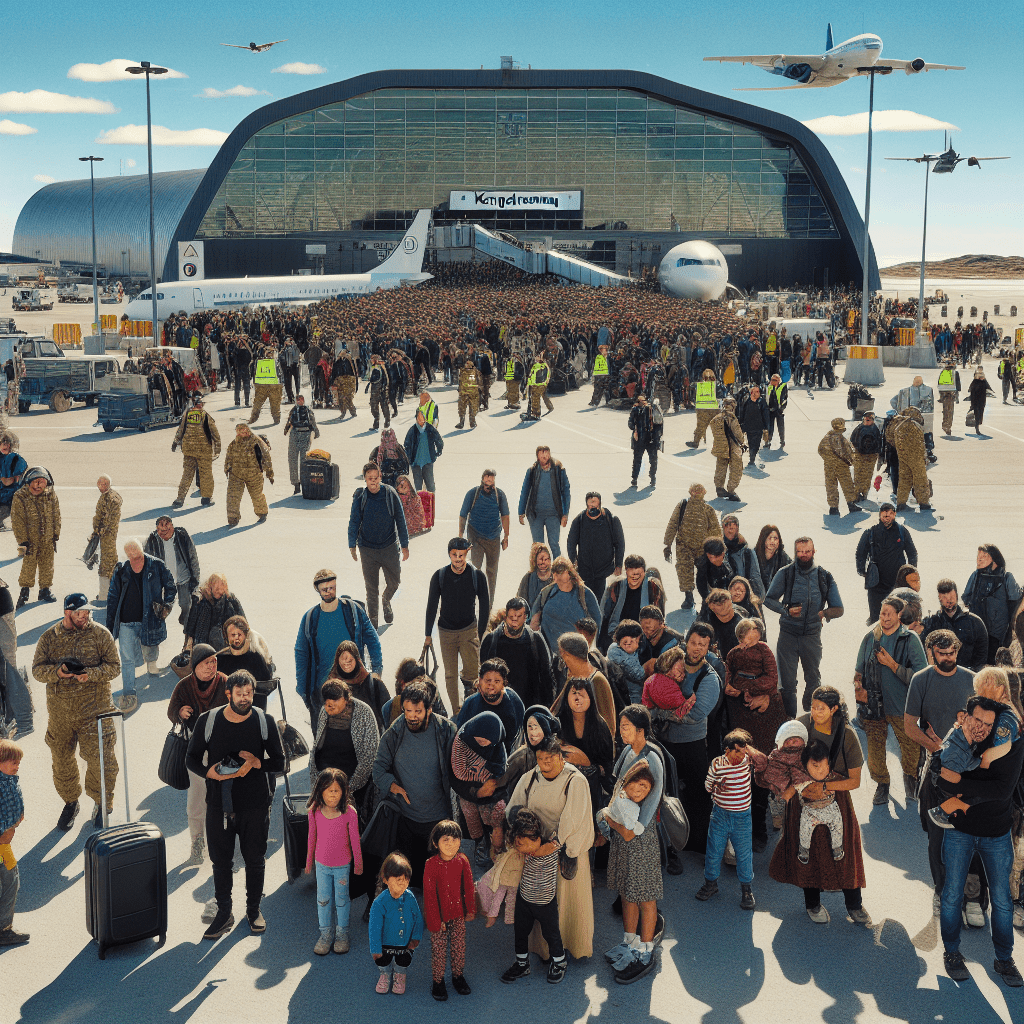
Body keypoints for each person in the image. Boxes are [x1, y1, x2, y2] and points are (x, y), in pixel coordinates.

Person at [185, 670, 285, 940]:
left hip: (254, 804)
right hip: (219, 803)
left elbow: (280, 761)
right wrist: (211, 773)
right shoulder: (209, 721)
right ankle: (224, 913)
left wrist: (257, 763)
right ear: (228, 694)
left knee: (255, 860)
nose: (245, 698)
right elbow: (191, 758)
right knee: (221, 862)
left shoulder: (264, 721)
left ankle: (253, 911)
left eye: (249, 693)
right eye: (239, 693)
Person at [936, 691, 1024, 987]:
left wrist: (961, 785)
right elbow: (939, 778)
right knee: (951, 895)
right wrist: (958, 790)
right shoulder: (957, 739)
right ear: (965, 717)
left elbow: (1001, 791)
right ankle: (952, 953)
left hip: (997, 834)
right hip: (960, 831)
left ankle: (1004, 959)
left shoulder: (1010, 745)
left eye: (988, 723)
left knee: (1001, 901)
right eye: (977, 720)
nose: (981, 727)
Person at [767, 686, 870, 926]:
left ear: (834, 709)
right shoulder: (801, 725)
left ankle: (854, 905)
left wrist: (824, 788)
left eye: (821, 708)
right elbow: (781, 754)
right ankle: (812, 904)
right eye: (812, 707)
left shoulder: (847, 735)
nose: (814, 712)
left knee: (845, 854)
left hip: (836, 797)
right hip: (802, 800)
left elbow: (854, 781)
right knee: (807, 852)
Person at [33, 593, 120, 830]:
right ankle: (71, 802)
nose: (85, 616)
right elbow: (37, 671)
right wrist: (57, 673)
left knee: (101, 760)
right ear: (67, 613)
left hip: (95, 711)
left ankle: (102, 802)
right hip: (60, 714)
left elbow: (114, 667)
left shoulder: (101, 635)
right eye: (80, 613)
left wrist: (90, 674)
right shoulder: (49, 638)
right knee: (61, 760)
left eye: (87, 612)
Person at [506, 736, 594, 961]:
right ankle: (543, 950)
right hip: (535, 850)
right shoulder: (531, 777)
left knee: (565, 904)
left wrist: (552, 845)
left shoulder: (576, 781)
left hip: (565, 851)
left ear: (560, 757)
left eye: (549, 759)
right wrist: (523, 838)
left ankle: (567, 949)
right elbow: (514, 808)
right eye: (540, 758)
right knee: (539, 903)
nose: (544, 763)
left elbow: (572, 819)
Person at [602, 705, 665, 984]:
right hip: (624, 831)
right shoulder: (628, 752)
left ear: (641, 730)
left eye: (626, 726)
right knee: (628, 893)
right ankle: (630, 944)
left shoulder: (653, 760)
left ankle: (646, 952)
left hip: (641, 836)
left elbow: (644, 815)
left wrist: (613, 824)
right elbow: (617, 788)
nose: (621, 730)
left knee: (645, 897)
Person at [372, 682, 458, 888]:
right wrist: (393, 786)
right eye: (408, 710)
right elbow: (378, 770)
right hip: (407, 821)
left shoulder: (447, 730)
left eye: (418, 711)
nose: (412, 716)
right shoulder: (395, 733)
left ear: (429, 709)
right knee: (409, 880)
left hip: (438, 819)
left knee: (438, 882)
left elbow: (459, 766)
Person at [642, 630, 721, 851]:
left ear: (709, 648)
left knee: (697, 793)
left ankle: (699, 842)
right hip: (665, 742)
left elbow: (695, 715)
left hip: (692, 744)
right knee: (668, 792)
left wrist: (661, 712)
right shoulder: (673, 662)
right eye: (693, 642)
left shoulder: (709, 678)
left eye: (702, 645)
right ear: (686, 643)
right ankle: (671, 842)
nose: (696, 648)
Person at [854, 596, 928, 805]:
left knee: (911, 746)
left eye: (889, 613)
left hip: (901, 705)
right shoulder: (870, 638)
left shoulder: (910, 639)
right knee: (875, 750)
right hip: (873, 706)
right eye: (882, 613)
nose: (884, 618)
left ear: (898, 615)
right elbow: (858, 670)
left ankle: (910, 778)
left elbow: (920, 675)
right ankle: (882, 784)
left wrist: (892, 665)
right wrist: (858, 687)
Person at [724, 617, 786, 848]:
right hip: (740, 712)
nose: (752, 639)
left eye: (755, 634)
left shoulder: (765, 651)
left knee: (763, 765)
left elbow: (772, 680)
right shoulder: (732, 653)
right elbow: (728, 677)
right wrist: (734, 687)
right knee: (742, 765)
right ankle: (743, 826)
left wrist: (747, 687)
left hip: (765, 716)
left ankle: (759, 823)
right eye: (748, 635)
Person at [765, 536, 844, 717]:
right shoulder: (785, 573)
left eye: (807, 551)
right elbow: (768, 599)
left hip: (811, 635)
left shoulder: (825, 576)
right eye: (799, 552)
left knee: (813, 679)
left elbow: (839, 608)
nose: (803, 555)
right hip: (788, 634)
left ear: (814, 551)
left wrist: (825, 613)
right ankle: (789, 720)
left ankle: (813, 716)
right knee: (787, 683)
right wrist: (786, 610)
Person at [295, 569, 382, 727]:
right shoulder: (310, 618)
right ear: (317, 590)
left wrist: (376, 670)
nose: (329, 592)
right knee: (324, 739)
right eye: (324, 589)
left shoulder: (353, 611)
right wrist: (302, 689)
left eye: (332, 588)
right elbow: (301, 654)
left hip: (354, 687)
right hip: (322, 691)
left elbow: (372, 639)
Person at [168, 643, 227, 866]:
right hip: (197, 750)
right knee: (196, 799)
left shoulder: (225, 681)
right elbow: (171, 711)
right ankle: (197, 840)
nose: (211, 667)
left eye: (214, 662)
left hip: (222, 749)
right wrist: (179, 712)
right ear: (195, 666)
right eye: (206, 663)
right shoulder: (184, 686)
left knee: (222, 796)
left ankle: (221, 840)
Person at [696, 728, 766, 910]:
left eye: (744, 750)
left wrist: (748, 749)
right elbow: (707, 786)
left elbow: (763, 762)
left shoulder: (747, 760)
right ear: (726, 750)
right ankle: (711, 884)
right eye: (737, 750)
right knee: (713, 852)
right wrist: (717, 785)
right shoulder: (717, 764)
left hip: (742, 817)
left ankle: (746, 890)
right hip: (720, 815)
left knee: (744, 855)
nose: (741, 755)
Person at [105, 538, 176, 712]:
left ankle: (151, 664)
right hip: (126, 622)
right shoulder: (121, 569)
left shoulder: (156, 565)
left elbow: (170, 586)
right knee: (127, 659)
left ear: (141, 550)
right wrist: (109, 626)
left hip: (149, 617)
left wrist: (167, 605)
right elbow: (113, 596)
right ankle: (129, 692)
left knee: (151, 642)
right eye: (129, 554)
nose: (133, 557)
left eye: (135, 553)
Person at [499, 807, 567, 985]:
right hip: (524, 901)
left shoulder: (552, 848)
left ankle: (559, 962)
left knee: (552, 934)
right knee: (520, 933)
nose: (519, 845)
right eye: (517, 841)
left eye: (523, 841)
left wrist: (548, 846)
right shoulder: (521, 850)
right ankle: (522, 964)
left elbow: (563, 836)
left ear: (537, 838)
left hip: (546, 903)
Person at [425, 537, 490, 714]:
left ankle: (471, 709)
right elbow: (431, 605)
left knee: (472, 676)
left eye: (462, 555)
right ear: (449, 555)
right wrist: (427, 635)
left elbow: (485, 606)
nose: (458, 559)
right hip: (446, 632)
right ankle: (456, 712)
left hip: (469, 630)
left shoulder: (477, 576)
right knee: (450, 675)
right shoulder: (440, 576)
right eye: (454, 555)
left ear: (467, 553)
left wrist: (481, 632)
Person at [305, 766, 363, 956]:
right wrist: (308, 863)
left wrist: (359, 864)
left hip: (342, 866)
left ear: (344, 792)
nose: (332, 794)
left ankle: (342, 934)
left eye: (336, 790)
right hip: (321, 866)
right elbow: (311, 837)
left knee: (342, 899)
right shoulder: (314, 811)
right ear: (320, 790)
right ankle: (325, 935)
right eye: (329, 789)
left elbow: (355, 840)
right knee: (322, 899)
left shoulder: (350, 813)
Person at [348, 463, 409, 629]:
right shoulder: (361, 496)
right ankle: (373, 627)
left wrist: (405, 544)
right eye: (369, 479)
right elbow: (354, 521)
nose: (373, 482)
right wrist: (351, 544)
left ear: (380, 477)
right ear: (365, 479)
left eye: (376, 478)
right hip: (367, 549)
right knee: (371, 590)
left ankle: (386, 599)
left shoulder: (390, 494)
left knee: (395, 581)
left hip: (389, 546)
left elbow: (400, 520)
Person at [423, 820, 475, 1000]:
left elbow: (468, 887)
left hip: (458, 915)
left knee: (459, 948)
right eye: (446, 840)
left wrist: (471, 909)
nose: (451, 843)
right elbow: (430, 896)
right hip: (439, 919)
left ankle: (458, 977)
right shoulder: (430, 865)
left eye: (455, 839)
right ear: (436, 843)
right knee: (439, 951)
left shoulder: (462, 860)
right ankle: (438, 981)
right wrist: (437, 922)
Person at [479, 598, 555, 709]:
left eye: (519, 617)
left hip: (529, 704)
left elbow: (546, 676)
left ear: (525, 617)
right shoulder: (491, 641)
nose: (514, 621)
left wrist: (547, 706)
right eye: (511, 617)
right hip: (498, 704)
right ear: (506, 616)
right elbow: (483, 676)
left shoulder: (535, 640)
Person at [368, 852, 424, 995]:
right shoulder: (379, 903)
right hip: (385, 943)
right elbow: (374, 928)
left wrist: (416, 937)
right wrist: (375, 949)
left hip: (405, 942)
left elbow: (418, 918)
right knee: (383, 960)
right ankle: (385, 974)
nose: (402, 883)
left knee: (403, 960)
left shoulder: (410, 898)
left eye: (406, 879)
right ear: (385, 879)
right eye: (398, 879)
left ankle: (400, 975)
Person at [856, 503, 918, 623]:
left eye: (890, 514)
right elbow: (860, 552)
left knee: (899, 617)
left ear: (894, 515)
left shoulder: (902, 531)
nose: (887, 517)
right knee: (876, 618)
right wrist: (861, 570)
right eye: (884, 515)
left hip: (897, 583)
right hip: (876, 584)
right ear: (880, 516)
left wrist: (911, 571)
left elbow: (912, 552)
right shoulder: (871, 532)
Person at [663, 483, 721, 610]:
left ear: (703, 493)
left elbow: (715, 531)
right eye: (694, 492)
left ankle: (706, 598)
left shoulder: (708, 510)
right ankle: (689, 597)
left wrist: (718, 549)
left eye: (699, 492)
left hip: (702, 548)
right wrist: (667, 544)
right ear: (690, 492)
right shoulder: (682, 506)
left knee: (704, 574)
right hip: (684, 546)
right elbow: (673, 524)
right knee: (684, 571)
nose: (696, 494)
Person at [530, 558, 603, 655]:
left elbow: (597, 622)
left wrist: (589, 648)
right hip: (549, 653)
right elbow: (533, 619)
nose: (557, 575)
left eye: (560, 571)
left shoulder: (584, 593)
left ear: (569, 573)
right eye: (555, 572)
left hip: (576, 654)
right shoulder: (547, 592)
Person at [11, 467, 60, 608]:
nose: (38, 485)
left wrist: (55, 533)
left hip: (47, 538)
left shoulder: (50, 495)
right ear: (29, 481)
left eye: (41, 482)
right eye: (35, 482)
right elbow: (17, 520)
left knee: (47, 565)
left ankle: (45, 590)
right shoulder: (20, 496)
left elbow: (56, 514)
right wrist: (23, 540)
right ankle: (24, 591)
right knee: (29, 566)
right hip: (30, 540)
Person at [458, 470, 510, 605]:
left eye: (491, 478)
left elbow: (505, 516)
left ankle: (489, 603)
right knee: (475, 570)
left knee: (492, 572)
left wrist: (506, 536)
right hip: (475, 538)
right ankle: (471, 601)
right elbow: (463, 515)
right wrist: (460, 536)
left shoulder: (500, 495)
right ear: (482, 479)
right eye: (487, 477)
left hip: (494, 538)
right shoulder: (473, 493)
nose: (489, 480)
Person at [964, 545, 1022, 664]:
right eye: (978, 556)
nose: (979, 559)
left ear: (995, 559)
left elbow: (1016, 600)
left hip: (997, 634)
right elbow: (966, 597)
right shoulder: (975, 576)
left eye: (984, 556)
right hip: (978, 631)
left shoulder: (1007, 577)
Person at [457, 660, 526, 754]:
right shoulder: (470, 704)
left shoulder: (513, 700)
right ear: (480, 681)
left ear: (504, 683)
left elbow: (522, 732)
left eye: (497, 681)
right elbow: (460, 740)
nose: (491, 685)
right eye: (487, 680)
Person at [921, 579, 989, 672]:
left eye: (951, 597)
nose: (948, 601)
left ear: (957, 595)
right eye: (944, 597)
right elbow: (924, 651)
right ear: (939, 598)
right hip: (940, 675)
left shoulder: (975, 622)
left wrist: (971, 673)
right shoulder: (932, 623)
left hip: (968, 674)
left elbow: (982, 655)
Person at [144, 517, 200, 626]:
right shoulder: (152, 539)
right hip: (165, 582)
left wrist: (195, 579)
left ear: (172, 527)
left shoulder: (182, 536)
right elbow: (147, 562)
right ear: (157, 529)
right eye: (161, 528)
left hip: (183, 578)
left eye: (167, 527)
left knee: (186, 605)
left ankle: (186, 624)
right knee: (161, 608)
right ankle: (158, 626)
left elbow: (193, 557)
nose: (164, 530)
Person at [518, 446, 571, 557]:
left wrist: (565, 514)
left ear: (550, 454)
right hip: (536, 514)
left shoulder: (558, 469)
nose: (544, 456)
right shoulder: (532, 471)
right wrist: (521, 511)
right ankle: (538, 572)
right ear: (537, 456)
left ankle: (558, 569)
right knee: (538, 546)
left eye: (546, 453)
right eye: (541, 453)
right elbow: (525, 491)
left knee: (554, 544)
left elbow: (566, 492)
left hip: (553, 514)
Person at [0, 738, 27, 946]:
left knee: (11, 880)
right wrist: (10, 826)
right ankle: (3, 929)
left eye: (18, 762)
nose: (17, 766)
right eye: (13, 762)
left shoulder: (8, 780)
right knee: (10, 882)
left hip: (4, 845)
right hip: (1, 845)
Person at [171, 395, 220, 510]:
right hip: (203, 451)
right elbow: (215, 434)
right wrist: (217, 451)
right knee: (206, 475)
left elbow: (181, 429)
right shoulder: (206, 416)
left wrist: (176, 441)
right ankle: (206, 499)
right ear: (201, 405)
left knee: (187, 474)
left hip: (189, 450)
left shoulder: (187, 415)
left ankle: (179, 499)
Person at [184, 572, 246, 656]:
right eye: (217, 589)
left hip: (224, 641)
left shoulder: (229, 600)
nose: (219, 591)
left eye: (222, 588)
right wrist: (188, 643)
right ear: (210, 586)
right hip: (204, 641)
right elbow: (191, 624)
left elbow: (242, 620)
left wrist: (232, 600)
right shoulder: (201, 600)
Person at [224, 423, 274, 527]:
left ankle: (262, 513)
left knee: (257, 495)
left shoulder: (256, 442)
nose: (243, 433)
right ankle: (233, 518)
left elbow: (266, 457)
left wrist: (269, 473)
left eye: (244, 431)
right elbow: (228, 456)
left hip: (254, 473)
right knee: (232, 495)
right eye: (240, 431)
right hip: (236, 474)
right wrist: (227, 469)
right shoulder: (234, 443)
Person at [818, 418, 862, 516]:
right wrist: (852, 460)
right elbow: (848, 451)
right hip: (841, 466)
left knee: (831, 486)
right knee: (847, 485)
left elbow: (820, 450)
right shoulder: (840, 438)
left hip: (830, 467)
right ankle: (851, 505)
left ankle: (833, 508)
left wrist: (828, 460)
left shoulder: (827, 437)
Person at [89, 475, 122, 605]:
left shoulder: (111, 499)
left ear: (108, 484)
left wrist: (97, 533)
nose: (100, 486)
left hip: (107, 536)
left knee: (107, 564)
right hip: (106, 536)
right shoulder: (108, 496)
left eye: (102, 484)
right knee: (109, 562)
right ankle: (109, 593)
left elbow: (107, 520)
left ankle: (105, 595)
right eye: (98, 484)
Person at [893, 408, 933, 512]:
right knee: (920, 480)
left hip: (903, 457)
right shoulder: (914, 426)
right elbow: (920, 444)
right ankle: (924, 503)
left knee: (904, 480)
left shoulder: (898, 426)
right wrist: (924, 457)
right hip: (916, 458)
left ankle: (901, 503)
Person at [721, 515, 765, 600]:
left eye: (733, 527)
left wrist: (758, 597)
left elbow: (755, 575)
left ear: (737, 529)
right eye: (727, 526)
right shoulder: (719, 550)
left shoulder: (747, 551)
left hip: (746, 594)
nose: (730, 530)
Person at [283, 395, 320, 495]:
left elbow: (312, 422)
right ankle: (296, 484)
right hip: (297, 434)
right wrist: (316, 432)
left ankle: (303, 483)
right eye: (298, 399)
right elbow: (290, 420)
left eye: (301, 399)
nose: (299, 401)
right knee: (294, 459)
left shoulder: (306, 410)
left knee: (302, 460)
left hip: (303, 435)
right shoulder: (298, 410)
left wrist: (315, 431)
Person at [710, 397, 744, 501]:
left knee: (720, 467)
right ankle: (731, 491)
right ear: (732, 405)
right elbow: (738, 433)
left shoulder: (717, 417)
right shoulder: (731, 417)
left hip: (720, 447)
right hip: (731, 447)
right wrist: (742, 442)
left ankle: (719, 488)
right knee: (736, 468)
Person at [627, 394, 662, 489]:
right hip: (646, 439)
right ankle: (642, 478)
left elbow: (630, 424)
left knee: (643, 460)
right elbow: (630, 424)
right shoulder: (647, 410)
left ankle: (645, 477)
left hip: (645, 440)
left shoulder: (647, 410)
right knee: (647, 460)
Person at [403, 411, 443, 494]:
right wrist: (408, 457)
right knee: (417, 485)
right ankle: (418, 502)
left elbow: (438, 439)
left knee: (430, 483)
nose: (420, 420)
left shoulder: (430, 428)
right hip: (416, 461)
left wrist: (438, 450)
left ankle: (431, 500)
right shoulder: (413, 430)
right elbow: (407, 444)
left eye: (422, 418)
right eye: (418, 418)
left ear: (425, 419)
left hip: (427, 459)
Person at [608, 621, 646, 704]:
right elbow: (638, 674)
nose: (629, 642)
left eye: (634, 638)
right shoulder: (615, 650)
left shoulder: (640, 647)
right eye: (626, 640)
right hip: (629, 699)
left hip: (641, 693)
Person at [849, 412, 882, 502]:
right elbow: (852, 440)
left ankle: (864, 493)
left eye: (870, 419)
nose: (868, 421)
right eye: (866, 419)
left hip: (871, 456)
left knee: (867, 474)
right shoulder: (859, 428)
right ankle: (856, 493)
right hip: (860, 455)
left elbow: (879, 443)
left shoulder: (875, 429)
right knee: (858, 474)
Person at [249, 345, 284, 425]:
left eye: (271, 351)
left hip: (273, 386)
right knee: (257, 404)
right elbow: (254, 371)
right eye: (267, 351)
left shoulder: (277, 361)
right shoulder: (259, 361)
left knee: (275, 405)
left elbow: (281, 373)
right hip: (263, 386)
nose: (269, 353)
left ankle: (276, 420)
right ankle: (253, 419)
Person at [753, 524, 791, 597]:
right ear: (763, 539)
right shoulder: (753, 555)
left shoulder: (782, 556)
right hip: (755, 597)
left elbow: (793, 569)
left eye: (776, 538)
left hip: (772, 599)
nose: (772, 541)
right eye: (769, 538)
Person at [0, 432, 27, 534]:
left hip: (11, 492)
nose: (6, 445)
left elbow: (15, 478)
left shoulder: (16, 459)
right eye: (3, 443)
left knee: (10, 507)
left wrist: (12, 479)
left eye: (8, 443)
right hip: (3, 490)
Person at [686, 369, 720, 449]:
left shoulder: (698, 385)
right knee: (717, 427)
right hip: (714, 409)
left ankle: (696, 442)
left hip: (702, 409)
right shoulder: (717, 385)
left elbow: (690, 387)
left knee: (700, 427)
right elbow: (723, 393)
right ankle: (719, 444)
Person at [738, 384, 769, 465]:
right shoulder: (747, 402)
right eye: (754, 392)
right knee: (751, 443)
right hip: (749, 427)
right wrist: (741, 425)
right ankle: (752, 458)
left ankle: (753, 454)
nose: (756, 393)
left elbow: (765, 415)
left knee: (757, 444)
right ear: (751, 393)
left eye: (757, 392)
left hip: (759, 427)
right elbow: (742, 414)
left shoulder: (762, 402)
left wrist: (766, 427)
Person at [517, 542, 554, 608]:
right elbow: (520, 603)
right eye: (540, 560)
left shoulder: (556, 577)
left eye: (546, 559)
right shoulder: (528, 578)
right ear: (535, 561)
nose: (543, 563)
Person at [966, 366, 995, 434]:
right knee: (977, 412)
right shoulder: (975, 382)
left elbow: (988, 388)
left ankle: (978, 424)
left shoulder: (984, 381)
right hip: (976, 400)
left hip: (981, 400)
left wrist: (991, 392)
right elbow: (970, 390)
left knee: (980, 412)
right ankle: (977, 426)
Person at [456, 358, 482, 429]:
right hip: (466, 393)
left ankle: (471, 422)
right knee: (463, 408)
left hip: (470, 393)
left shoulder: (474, 371)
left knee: (470, 408)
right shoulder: (465, 371)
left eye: (467, 364)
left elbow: (478, 381)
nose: (466, 365)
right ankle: (464, 422)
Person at [937, 358, 961, 436]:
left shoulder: (943, 372)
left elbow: (939, 383)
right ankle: (947, 427)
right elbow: (958, 386)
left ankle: (945, 425)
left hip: (943, 394)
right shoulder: (955, 373)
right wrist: (957, 396)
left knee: (945, 410)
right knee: (950, 411)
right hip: (951, 394)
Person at [526, 355, 554, 420]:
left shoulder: (542, 366)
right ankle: (550, 407)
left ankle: (536, 413)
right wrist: (529, 384)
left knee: (535, 397)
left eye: (537, 356)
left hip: (539, 384)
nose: (536, 357)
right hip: (536, 384)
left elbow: (544, 376)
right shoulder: (536, 365)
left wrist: (543, 383)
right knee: (542, 395)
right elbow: (531, 376)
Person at [765, 373, 787, 449]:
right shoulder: (769, 386)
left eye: (774, 380)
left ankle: (782, 440)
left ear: (778, 381)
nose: (772, 381)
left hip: (779, 410)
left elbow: (784, 398)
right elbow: (767, 397)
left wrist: (781, 408)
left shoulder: (783, 386)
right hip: (770, 410)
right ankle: (768, 441)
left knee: (780, 426)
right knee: (769, 427)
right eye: (771, 380)